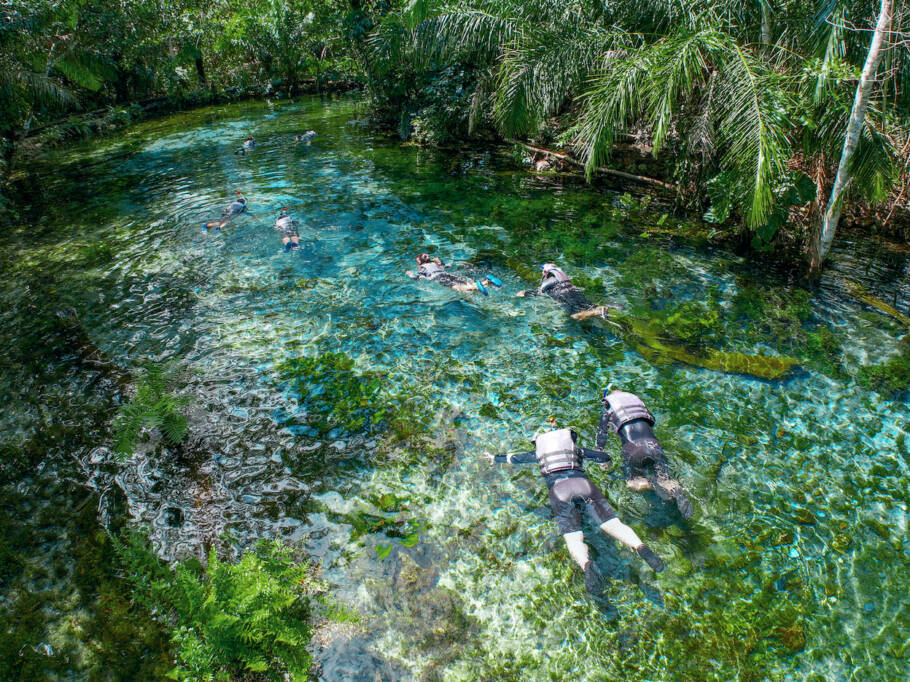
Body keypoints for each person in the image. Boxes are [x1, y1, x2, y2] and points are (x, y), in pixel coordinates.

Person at [483, 427, 664, 596]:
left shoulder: (537, 454)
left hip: (559, 491)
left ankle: (586, 564)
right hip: (582, 485)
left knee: (573, 537)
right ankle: (640, 546)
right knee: (613, 525)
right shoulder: (577, 451)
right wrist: (606, 467)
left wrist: (494, 458)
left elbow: (513, 458)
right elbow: (604, 456)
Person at [596, 388, 694, 519]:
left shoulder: (608, 412)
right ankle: (673, 489)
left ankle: (649, 484)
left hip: (632, 449)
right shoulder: (639, 405)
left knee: (632, 483)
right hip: (654, 446)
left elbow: (601, 438)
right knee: (666, 479)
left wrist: (603, 460)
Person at [515, 263, 615, 320]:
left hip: (565, 297)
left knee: (575, 316)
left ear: (546, 273)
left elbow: (537, 293)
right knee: (588, 307)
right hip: (576, 293)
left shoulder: (548, 281)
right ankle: (606, 307)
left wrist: (523, 293)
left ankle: (598, 312)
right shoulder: (562, 278)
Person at [406, 253, 502, 296]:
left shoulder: (423, 267)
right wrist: (442, 263)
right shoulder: (434, 263)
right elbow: (447, 266)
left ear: (420, 262)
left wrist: (410, 275)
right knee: (463, 284)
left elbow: (418, 278)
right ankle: (488, 282)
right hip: (446, 274)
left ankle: (478, 286)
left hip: (438, 277)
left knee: (457, 287)